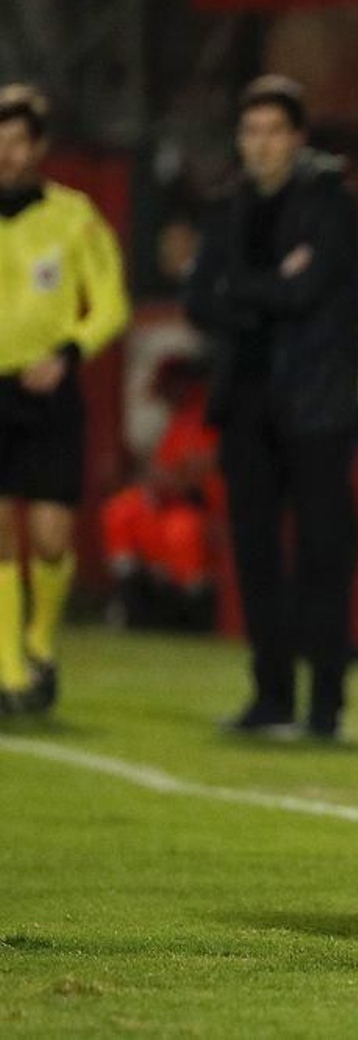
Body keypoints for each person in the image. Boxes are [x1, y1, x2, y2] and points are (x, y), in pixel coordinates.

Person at [185, 75, 358, 741]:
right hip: (245, 405)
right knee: (256, 555)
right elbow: (199, 300)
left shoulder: (330, 201)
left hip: (317, 408)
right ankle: (270, 696)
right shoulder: (227, 206)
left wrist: (242, 291)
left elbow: (308, 290)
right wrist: (267, 285)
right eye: (250, 131)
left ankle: (324, 706)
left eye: (272, 131)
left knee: (323, 555)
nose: (260, 145)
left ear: (296, 138)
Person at [0, 83, 130, 715]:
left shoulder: (73, 216)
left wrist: (68, 353)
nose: (5, 152)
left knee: (51, 538)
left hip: (48, 393)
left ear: (39, 147)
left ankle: (40, 638)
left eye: (17, 140)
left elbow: (110, 302)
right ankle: (9, 673)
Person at [101, 355, 221, 631]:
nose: (166, 393)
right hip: (167, 504)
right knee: (121, 509)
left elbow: (198, 473)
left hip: (200, 508)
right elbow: (161, 471)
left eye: (171, 385)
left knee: (181, 531)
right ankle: (128, 597)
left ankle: (190, 615)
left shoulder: (210, 414)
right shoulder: (179, 419)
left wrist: (169, 481)